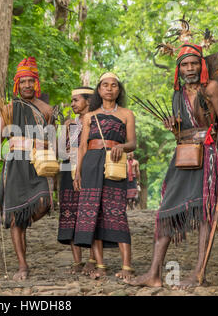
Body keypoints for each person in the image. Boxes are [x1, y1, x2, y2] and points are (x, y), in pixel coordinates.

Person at [126, 43, 218, 289]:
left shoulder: (212, 88)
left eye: (194, 63)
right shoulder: (177, 94)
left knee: (205, 215)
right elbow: (181, 133)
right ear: (179, 69)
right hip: (183, 155)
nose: (190, 68)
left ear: (202, 65)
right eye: (185, 64)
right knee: (166, 211)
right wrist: (174, 127)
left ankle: (199, 274)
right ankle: (154, 274)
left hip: (208, 154)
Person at [73, 72, 137, 281]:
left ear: (119, 90)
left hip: (114, 163)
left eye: (114, 85)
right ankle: (100, 265)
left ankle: (127, 266)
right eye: (105, 85)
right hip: (91, 163)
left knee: (117, 212)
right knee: (93, 213)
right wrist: (78, 172)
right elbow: (83, 146)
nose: (109, 89)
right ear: (99, 91)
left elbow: (132, 143)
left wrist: (121, 146)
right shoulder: (90, 116)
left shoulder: (127, 114)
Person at [0, 57, 55, 281]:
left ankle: (25, 220)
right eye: (23, 82)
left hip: (36, 163)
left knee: (43, 202)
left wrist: (33, 143)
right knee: (14, 218)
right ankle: (22, 265)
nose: (27, 86)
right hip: (13, 164)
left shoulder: (46, 110)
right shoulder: (9, 108)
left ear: (37, 83)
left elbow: (53, 141)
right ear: (17, 85)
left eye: (31, 81)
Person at [57, 87, 96, 275]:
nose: (72, 104)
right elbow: (61, 150)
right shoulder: (68, 124)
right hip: (67, 170)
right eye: (71, 101)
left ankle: (92, 259)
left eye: (76, 100)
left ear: (88, 101)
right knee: (70, 213)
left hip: (89, 170)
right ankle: (77, 261)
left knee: (88, 213)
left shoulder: (96, 121)